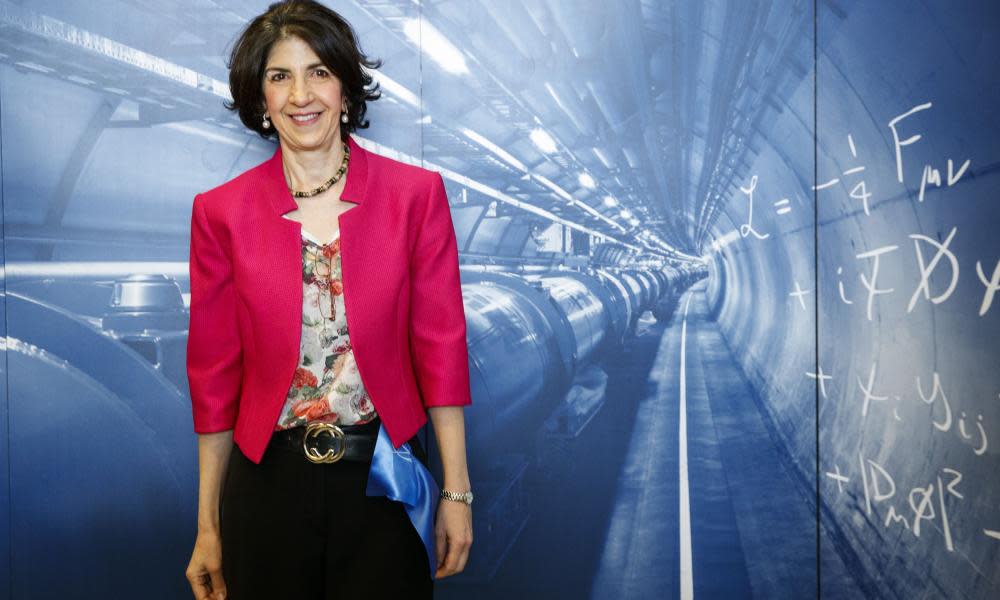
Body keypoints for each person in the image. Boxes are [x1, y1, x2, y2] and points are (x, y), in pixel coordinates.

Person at [183, 1, 474, 598]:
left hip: (384, 485)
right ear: (260, 99)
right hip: (265, 490)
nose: (300, 95)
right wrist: (208, 525)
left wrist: (456, 492)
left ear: (345, 88)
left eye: (318, 71)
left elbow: (441, 352)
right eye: (279, 76)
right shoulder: (221, 214)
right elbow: (215, 381)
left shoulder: (415, 197)